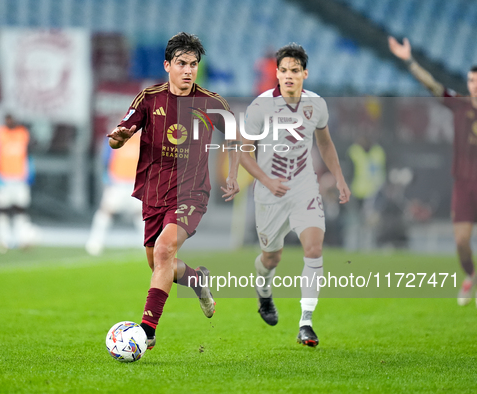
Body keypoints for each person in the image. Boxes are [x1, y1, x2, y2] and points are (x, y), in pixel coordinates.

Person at [107, 32, 240, 350]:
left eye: (193, 64)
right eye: (181, 63)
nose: (188, 70)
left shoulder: (211, 102)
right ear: (167, 65)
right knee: (159, 264)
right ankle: (196, 280)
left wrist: (233, 173)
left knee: (166, 250)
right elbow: (119, 134)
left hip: (191, 193)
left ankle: (147, 331)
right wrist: (119, 139)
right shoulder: (149, 99)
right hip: (154, 193)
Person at [240, 43, 351, 347]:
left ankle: (306, 322)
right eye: (284, 71)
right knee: (271, 257)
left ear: (305, 73)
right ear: (276, 73)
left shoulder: (317, 105)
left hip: (304, 187)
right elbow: (244, 152)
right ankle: (263, 293)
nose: (289, 76)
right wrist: (266, 180)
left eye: (295, 71)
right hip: (269, 193)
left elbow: (325, 144)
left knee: (314, 250)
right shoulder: (260, 106)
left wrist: (338, 178)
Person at [389, 37, 477, 306]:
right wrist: (409, 60)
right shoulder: (460, 105)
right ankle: (470, 276)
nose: (474, 85)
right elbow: (433, 86)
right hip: (464, 183)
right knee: (461, 241)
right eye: (472, 81)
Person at [86, 132, 143, 256]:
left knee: (142, 214)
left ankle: (147, 244)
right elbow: (106, 157)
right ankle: (95, 243)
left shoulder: (145, 137)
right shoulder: (116, 135)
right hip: (118, 182)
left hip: (136, 182)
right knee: (106, 211)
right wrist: (107, 178)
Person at [0, 114, 35, 252]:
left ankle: (21, 238)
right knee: (2, 210)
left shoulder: (23, 133)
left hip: (19, 178)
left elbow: (28, 153)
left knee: (20, 209)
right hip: (3, 178)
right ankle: (3, 239)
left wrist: (29, 172)